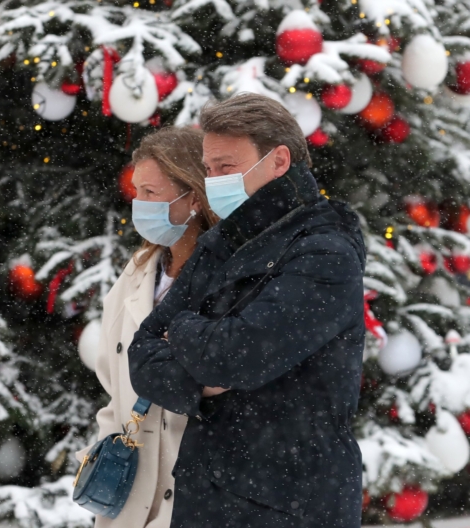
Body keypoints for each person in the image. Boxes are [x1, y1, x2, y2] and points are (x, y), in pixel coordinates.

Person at [127, 93, 366, 528]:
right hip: (206, 492)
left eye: (227, 167)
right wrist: (206, 377)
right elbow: (141, 354)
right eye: (209, 168)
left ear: (279, 161)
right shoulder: (220, 242)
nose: (215, 179)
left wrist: (180, 330)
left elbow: (236, 356)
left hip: (292, 501)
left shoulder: (324, 252)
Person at [76, 126, 218, 528]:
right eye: (137, 192)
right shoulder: (137, 272)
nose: (139, 205)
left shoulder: (228, 276)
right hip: (130, 495)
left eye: (151, 193)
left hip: (197, 490)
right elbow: (111, 380)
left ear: (192, 197)